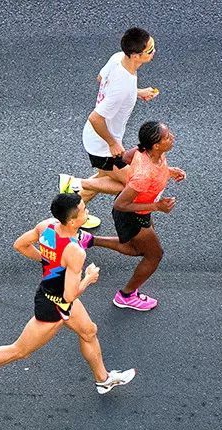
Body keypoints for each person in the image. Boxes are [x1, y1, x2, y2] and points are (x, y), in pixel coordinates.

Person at [0, 194, 136, 394]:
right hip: (53, 306)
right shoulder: (75, 252)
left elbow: (20, 244)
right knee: (19, 351)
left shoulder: (47, 226)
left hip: (55, 295)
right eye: (83, 209)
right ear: (72, 221)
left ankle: (103, 380)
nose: (87, 211)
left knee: (89, 331)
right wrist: (88, 278)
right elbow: (70, 296)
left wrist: (46, 261)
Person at [58, 28, 159, 229]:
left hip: (97, 139)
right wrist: (113, 143)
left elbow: (101, 79)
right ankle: (75, 183)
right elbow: (95, 118)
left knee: (104, 178)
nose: (154, 51)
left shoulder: (118, 59)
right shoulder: (122, 86)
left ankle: (70, 218)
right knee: (134, 185)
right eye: (150, 50)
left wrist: (135, 93)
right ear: (135, 55)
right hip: (103, 145)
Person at [78, 121, 185, 310]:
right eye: (167, 137)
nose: (172, 137)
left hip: (138, 211)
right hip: (132, 214)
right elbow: (120, 204)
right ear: (156, 145)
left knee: (136, 249)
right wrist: (157, 206)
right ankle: (125, 296)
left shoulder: (147, 151)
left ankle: (89, 240)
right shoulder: (144, 175)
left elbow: (122, 159)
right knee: (154, 255)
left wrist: (168, 171)